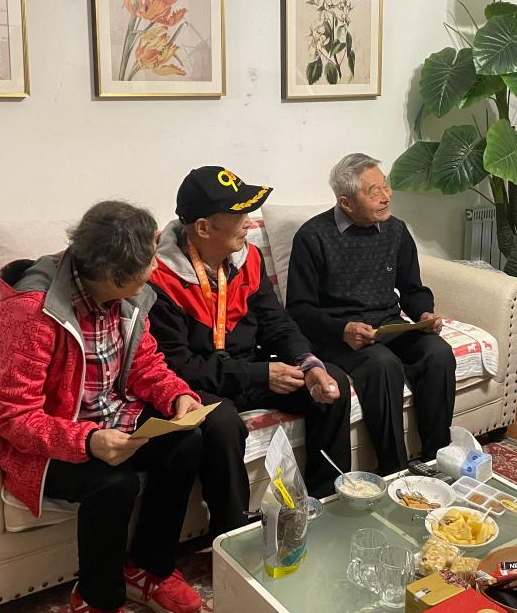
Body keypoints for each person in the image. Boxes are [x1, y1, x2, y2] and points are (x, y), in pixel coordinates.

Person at [0, 201, 204, 613]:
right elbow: (15, 418)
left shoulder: (129, 296)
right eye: (148, 262)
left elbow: (145, 364)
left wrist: (176, 395)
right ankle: (96, 599)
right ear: (114, 275)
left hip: (112, 417)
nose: (155, 267)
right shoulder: (31, 312)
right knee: (114, 483)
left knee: (187, 440)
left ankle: (148, 569)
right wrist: (87, 441)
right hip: (48, 444)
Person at [147, 166, 351, 537]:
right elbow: (178, 365)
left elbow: (277, 324)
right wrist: (260, 375)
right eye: (239, 213)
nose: (248, 222)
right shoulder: (160, 278)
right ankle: (230, 535)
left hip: (249, 369)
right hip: (198, 383)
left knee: (331, 382)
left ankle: (325, 503)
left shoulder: (249, 259)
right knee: (222, 421)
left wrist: (309, 364)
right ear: (204, 228)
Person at [286, 153, 456, 477]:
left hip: (388, 325)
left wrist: (425, 313)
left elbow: (412, 288)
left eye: (385, 186)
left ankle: (437, 460)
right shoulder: (313, 236)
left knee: (438, 353)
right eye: (373, 191)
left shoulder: (396, 230)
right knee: (382, 364)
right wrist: (342, 329)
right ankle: (395, 471)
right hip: (339, 335)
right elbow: (298, 310)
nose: (386, 196)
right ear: (346, 203)